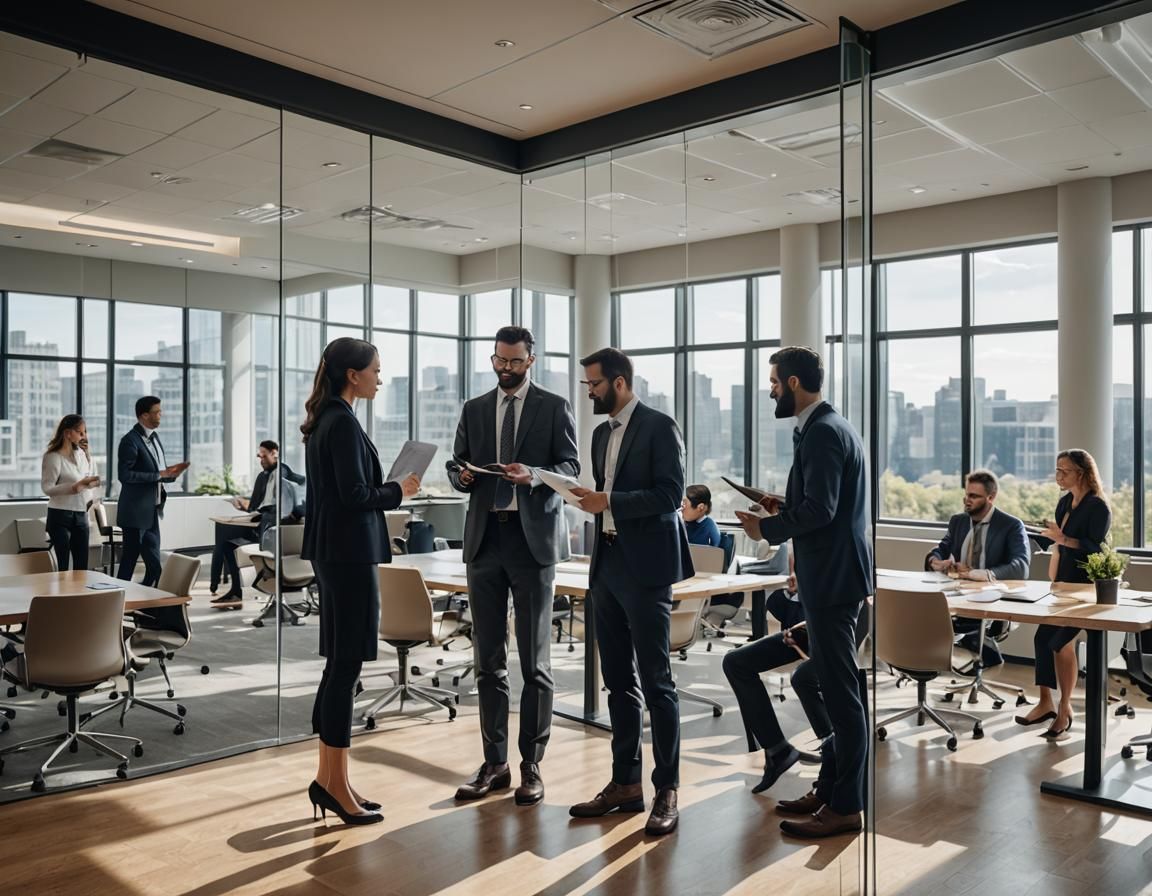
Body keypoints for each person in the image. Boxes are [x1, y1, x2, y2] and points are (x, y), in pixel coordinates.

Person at [736, 345, 870, 839]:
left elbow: (822, 512)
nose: (770, 388)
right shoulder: (829, 427)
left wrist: (767, 528)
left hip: (833, 580)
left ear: (793, 382)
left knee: (842, 696)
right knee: (837, 692)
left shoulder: (822, 433)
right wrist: (783, 503)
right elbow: (817, 503)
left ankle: (846, 805)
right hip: (833, 575)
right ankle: (832, 789)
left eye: (774, 381)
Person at [447, 325, 579, 806]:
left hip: (532, 545)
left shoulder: (553, 406)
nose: (505, 369)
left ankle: (532, 765)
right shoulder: (475, 408)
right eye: (499, 361)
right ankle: (494, 763)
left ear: (531, 360)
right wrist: (460, 474)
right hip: (484, 541)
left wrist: (535, 476)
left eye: (515, 362)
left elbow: (571, 468)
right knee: (487, 663)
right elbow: (456, 463)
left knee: (535, 664)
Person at [568, 347, 693, 837]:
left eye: (594, 384)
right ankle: (625, 784)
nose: (590, 393)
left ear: (618, 383)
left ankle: (667, 789)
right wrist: (592, 503)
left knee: (657, 682)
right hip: (607, 564)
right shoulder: (600, 435)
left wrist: (610, 501)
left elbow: (670, 495)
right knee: (618, 681)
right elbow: (607, 499)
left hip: (646, 569)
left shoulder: (661, 427)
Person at [300, 336, 420, 826]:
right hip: (348, 556)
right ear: (353, 375)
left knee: (339, 666)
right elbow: (354, 495)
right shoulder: (342, 423)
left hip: (336, 554)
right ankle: (334, 786)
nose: (379, 377)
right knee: (345, 668)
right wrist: (399, 489)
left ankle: (333, 781)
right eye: (375, 370)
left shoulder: (328, 419)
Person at [722, 568, 867, 794]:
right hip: (806, 629)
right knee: (735, 663)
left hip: (840, 628)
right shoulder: (802, 554)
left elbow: (844, 598)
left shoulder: (840, 549)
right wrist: (796, 608)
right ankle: (778, 751)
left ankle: (832, 765)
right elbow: (781, 606)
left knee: (804, 678)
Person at [1017, 449, 1111, 737]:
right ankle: (1046, 702)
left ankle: (1065, 708)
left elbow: (1096, 548)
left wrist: (1064, 539)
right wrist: (1044, 538)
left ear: (1081, 473)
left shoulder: (1098, 508)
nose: (1058, 476)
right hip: (1062, 583)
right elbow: (1062, 543)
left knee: (1059, 642)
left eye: (1064, 471)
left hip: (1086, 588)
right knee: (1043, 639)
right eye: (1057, 470)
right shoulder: (1064, 503)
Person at [924, 469, 1030, 668]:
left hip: (991, 600)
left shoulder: (1011, 525)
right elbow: (941, 548)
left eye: (974, 496)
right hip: (958, 595)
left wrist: (977, 574)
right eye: (966, 495)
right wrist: (935, 561)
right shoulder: (958, 521)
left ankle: (984, 657)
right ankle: (923, 664)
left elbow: (1021, 567)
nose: (967, 500)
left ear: (991, 497)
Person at [209, 440, 306, 609]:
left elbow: (301, 490)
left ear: (275, 453)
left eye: (264, 456)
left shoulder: (283, 473)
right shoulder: (262, 476)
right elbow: (254, 506)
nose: (261, 460)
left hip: (271, 528)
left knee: (225, 537)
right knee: (225, 543)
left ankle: (223, 587)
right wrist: (242, 505)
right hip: (259, 520)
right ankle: (233, 592)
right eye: (259, 456)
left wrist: (292, 512)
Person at [116, 396, 188, 587]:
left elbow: (157, 472)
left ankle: (148, 602)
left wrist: (171, 474)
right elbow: (125, 476)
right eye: (157, 412)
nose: (160, 415)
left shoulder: (155, 439)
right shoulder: (130, 441)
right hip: (134, 512)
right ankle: (117, 599)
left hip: (151, 511)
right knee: (129, 561)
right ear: (144, 415)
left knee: (154, 565)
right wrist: (158, 474)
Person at [41, 414, 101, 571]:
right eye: (80, 432)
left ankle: (79, 595)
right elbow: (47, 488)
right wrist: (73, 487)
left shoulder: (81, 454)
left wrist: (88, 456)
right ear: (68, 433)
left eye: (85, 432)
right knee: (63, 566)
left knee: (82, 567)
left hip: (81, 515)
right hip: (60, 516)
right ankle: (62, 595)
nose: (84, 436)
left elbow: (91, 479)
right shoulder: (53, 456)